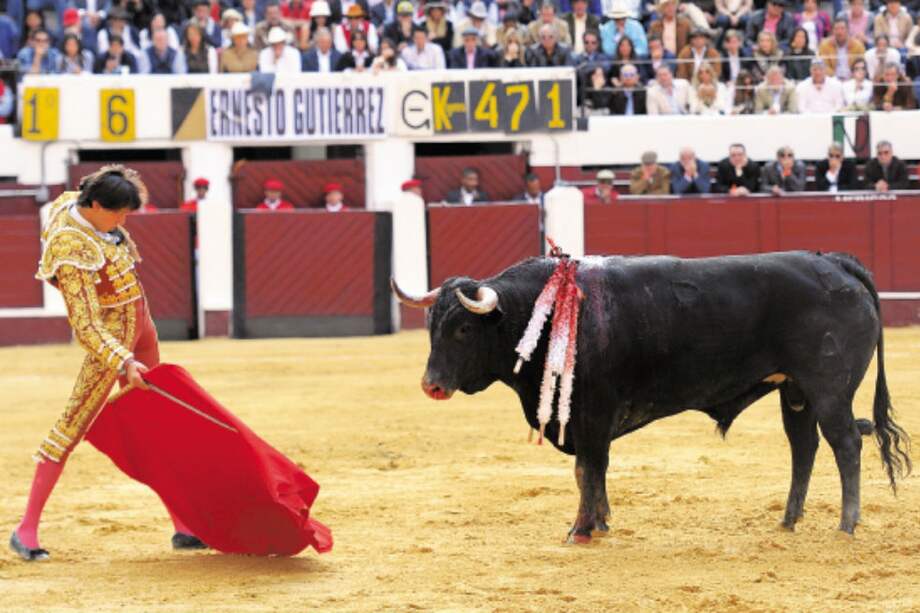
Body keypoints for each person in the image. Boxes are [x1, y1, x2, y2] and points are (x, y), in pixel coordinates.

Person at [10, 166, 205, 562]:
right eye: (117, 213)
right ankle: (25, 528)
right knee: (72, 424)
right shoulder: (70, 250)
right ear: (96, 205)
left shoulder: (73, 201)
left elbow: (86, 195)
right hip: (112, 340)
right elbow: (85, 324)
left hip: (142, 323)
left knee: (156, 423)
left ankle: (182, 525)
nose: (122, 221)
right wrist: (123, 360)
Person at [817, 17, 865, 81]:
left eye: (842, 28)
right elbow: (824, 66)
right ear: (832, 31)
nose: (839, 32)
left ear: (848, 30)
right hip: (832, 80)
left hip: (853, 80)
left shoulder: (858, 45)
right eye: (836, 29)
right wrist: (835, 78)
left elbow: (861, 65)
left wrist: (852, 77)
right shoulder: (825, 45)